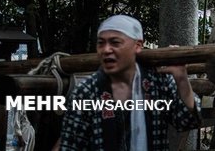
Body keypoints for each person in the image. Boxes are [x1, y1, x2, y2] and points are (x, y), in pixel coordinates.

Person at [60, 15, 201, 150]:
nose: (106, 50)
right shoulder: (86, 92)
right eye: (101, 43)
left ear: (138, 45)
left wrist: (181, 78)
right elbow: (71, 145)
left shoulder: (157, 83)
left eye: (115, 42)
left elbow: (187, 121)